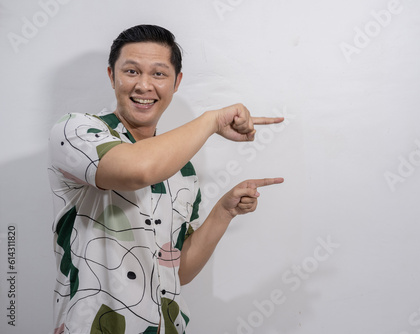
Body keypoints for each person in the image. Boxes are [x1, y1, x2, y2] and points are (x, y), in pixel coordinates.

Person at [48, 24, 284, 334]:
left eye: (158, 74)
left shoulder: (181, 167)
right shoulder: (75, 131)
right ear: (111, 76)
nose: (144, 85)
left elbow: (178, 270)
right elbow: (137, 170)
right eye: (131, 71)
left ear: (177, 82)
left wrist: (224, 212)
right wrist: (211, 120)